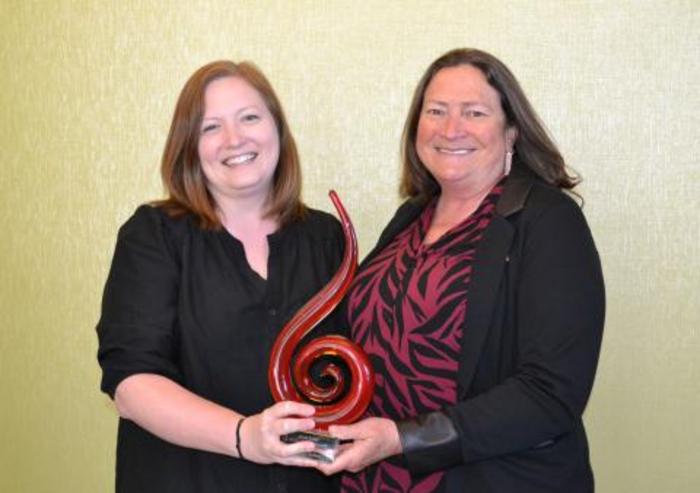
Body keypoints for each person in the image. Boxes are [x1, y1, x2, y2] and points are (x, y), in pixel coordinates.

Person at [317, 48, 606, 492]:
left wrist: (402, 438)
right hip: (379, 479)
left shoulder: (548, 221)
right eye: (436, 111)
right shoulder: (411, 217)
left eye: (474, 112)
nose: (452, 129)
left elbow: (551, 392)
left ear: (511, 131)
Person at [96, 60, 344, 492]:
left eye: (249, 117)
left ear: (278, 130)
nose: (235, 139)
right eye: (211, 127)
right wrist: (245, 436)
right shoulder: (154, 235)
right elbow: (132, 385)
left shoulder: (327, 239)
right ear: (188, 147)